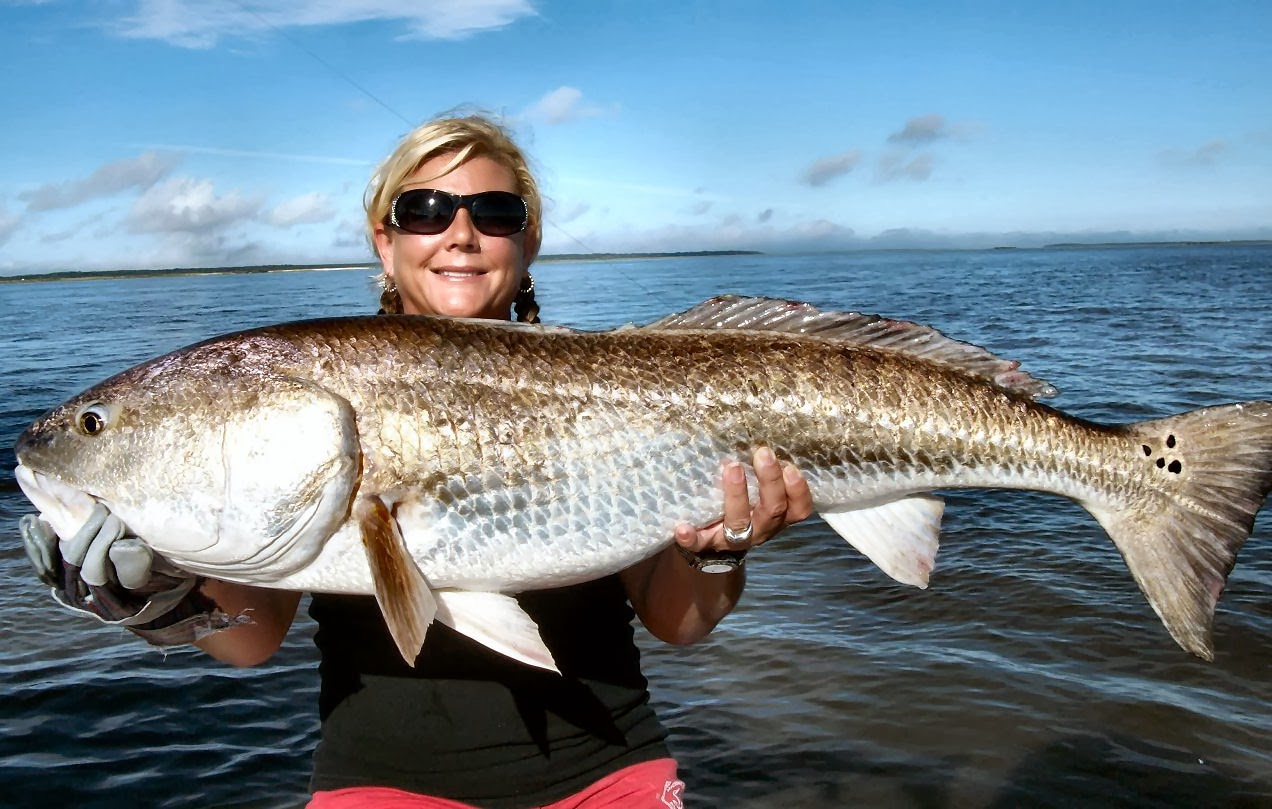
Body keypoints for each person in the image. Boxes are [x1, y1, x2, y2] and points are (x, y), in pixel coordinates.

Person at [21, 114, 813, 808]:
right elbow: (252, 639)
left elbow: (676, 622)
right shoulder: (316, 400)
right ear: (385, 239)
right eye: (425, 209)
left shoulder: (621, 385)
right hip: (378, 784)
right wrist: (156, 595)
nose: (460, 233)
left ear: (528, 239)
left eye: (496, 213)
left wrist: (716, 558)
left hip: (611, 772)